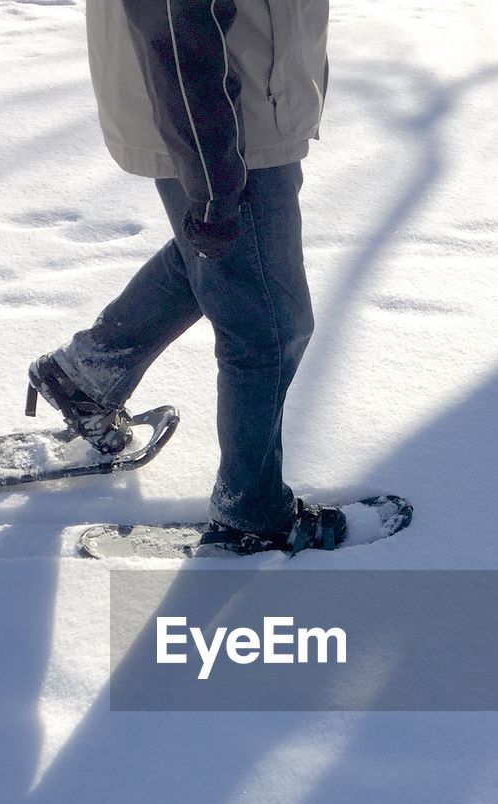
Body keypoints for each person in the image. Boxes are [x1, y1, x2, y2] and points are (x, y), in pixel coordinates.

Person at [28, 0, 347, 555]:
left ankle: (88, 373)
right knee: (270, 328)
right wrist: (213, 174)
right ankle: (252, 513)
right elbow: (177, 26)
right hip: (223, 121)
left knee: (225, 260)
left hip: (243, 106)